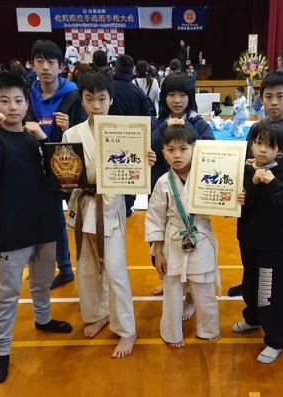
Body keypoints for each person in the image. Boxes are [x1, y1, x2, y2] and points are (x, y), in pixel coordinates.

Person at [0, 72, 73, 384]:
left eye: (18, 100)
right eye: (4, 101)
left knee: (41, 281)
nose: (13, 107)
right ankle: (2, 350)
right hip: (12, 228)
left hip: (45, 222)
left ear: (27, 103)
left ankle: (43, 319)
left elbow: (65, 175)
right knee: (8, 292)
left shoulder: (35, 137)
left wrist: (45, 138)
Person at [62, 71, 156, 358]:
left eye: (102, 99)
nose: (96, 105)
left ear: (111, 100)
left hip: (110, 208)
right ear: (82, 100)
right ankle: (97, 314)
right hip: (82, 206)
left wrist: (146, 161)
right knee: (87, 268)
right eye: (89, 99)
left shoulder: (124, 131)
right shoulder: (71, 134)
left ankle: (126, 329)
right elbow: (66, 175)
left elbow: (133, 174)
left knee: (115, 271)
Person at [146, 123, 229, 348]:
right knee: (172, 291)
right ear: (163, 153)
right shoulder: (163, 182)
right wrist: (157, 252)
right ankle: (171, 333)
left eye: (183, 149)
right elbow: (154, 218)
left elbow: (224, 206)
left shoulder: (207, 178)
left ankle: (209, 328)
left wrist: (233, 201)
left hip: (200, 237)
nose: (177, 155)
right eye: (171, 150)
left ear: (195, 149)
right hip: (173, 240)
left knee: (203, 288)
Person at [227, 71, 283, 298]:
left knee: (281, 251)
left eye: (279, 96)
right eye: (268, 96)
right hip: (253, 199)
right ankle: (249, 284)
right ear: (260, 98)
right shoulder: (256, 128)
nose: (273, 102)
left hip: (281, 200)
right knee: (249, 244)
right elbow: (245, 160)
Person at [232, 119, 283, 364]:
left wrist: (272, 183)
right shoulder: (245, 171)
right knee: (249, 283)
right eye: (258, 143)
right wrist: (243, 193)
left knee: (268, 293)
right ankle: (253, 319)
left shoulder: (281, 175)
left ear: (278, 151)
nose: (262, 149)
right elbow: (239, 205)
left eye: (269, 146)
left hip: (272, 247)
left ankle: (275, 340)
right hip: (248, 242)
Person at [26, 40, 88, 289]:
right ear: (32, 64)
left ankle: (89, 267)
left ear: (61, 66)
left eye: (51, 62)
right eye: (39, 61)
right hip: (40, 168)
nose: (45, 67)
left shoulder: (74, 95)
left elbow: (86, 132)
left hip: (70, 168)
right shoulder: (28, 95)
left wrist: (68, 128)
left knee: (83, 221)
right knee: (54, 221)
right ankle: (64, 268)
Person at [150, 72, 215, 298]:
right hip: (165, 190)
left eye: (182, 94)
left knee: (193, 249)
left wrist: (186, 127)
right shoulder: (157, 123)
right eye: (171, 94)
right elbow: (148, 146)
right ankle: (170, 280)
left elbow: (210, 152)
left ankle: (189, 292)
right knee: (163, 243)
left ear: (190, 97)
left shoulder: (199, 124)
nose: (177, 100)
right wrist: (167, 126)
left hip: (193, 196)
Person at [109, 55, 151, 218]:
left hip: (109, 138)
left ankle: (112, 205)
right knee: (130, 172)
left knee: (112, 171)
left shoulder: (108, 89)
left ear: (115, 68)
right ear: (131, 70)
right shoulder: (138, 92)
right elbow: (146, 119)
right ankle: (127, 206)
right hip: (133, 141)